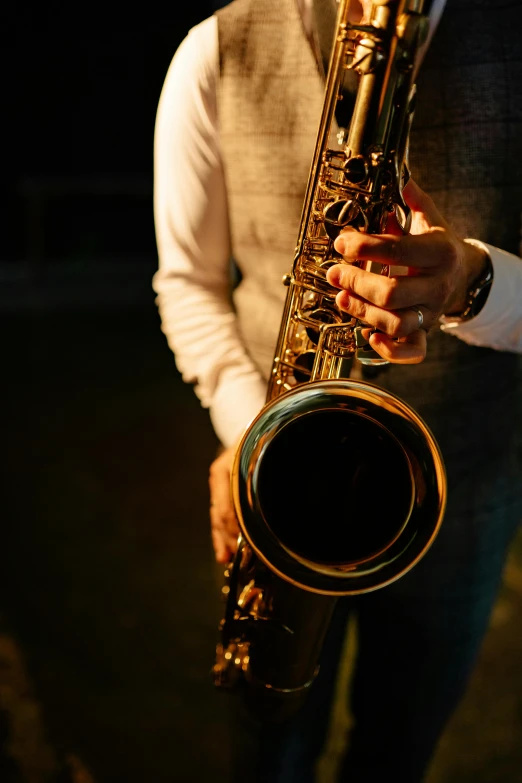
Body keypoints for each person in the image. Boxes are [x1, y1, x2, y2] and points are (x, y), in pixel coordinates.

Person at [153, 0, 522, 780]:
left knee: (400, 748)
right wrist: (247, 434)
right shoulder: (212, 50)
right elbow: (187, 284)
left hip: (464, 487)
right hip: (281, 493)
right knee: (269, 744)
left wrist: (471, 283)